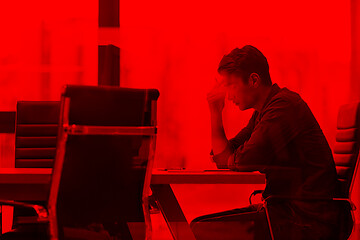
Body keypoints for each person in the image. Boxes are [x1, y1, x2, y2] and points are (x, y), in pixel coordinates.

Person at [190, 45, 353, 240]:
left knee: (201, 231)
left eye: (230, 85)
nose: (227, 94)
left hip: (307, 220)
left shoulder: (283, 108)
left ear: (253, 80)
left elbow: (242, 160)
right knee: (198, 226)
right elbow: (224, 156)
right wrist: (215, 112)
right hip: (287, 212)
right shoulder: (264, 111)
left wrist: (230, 157)